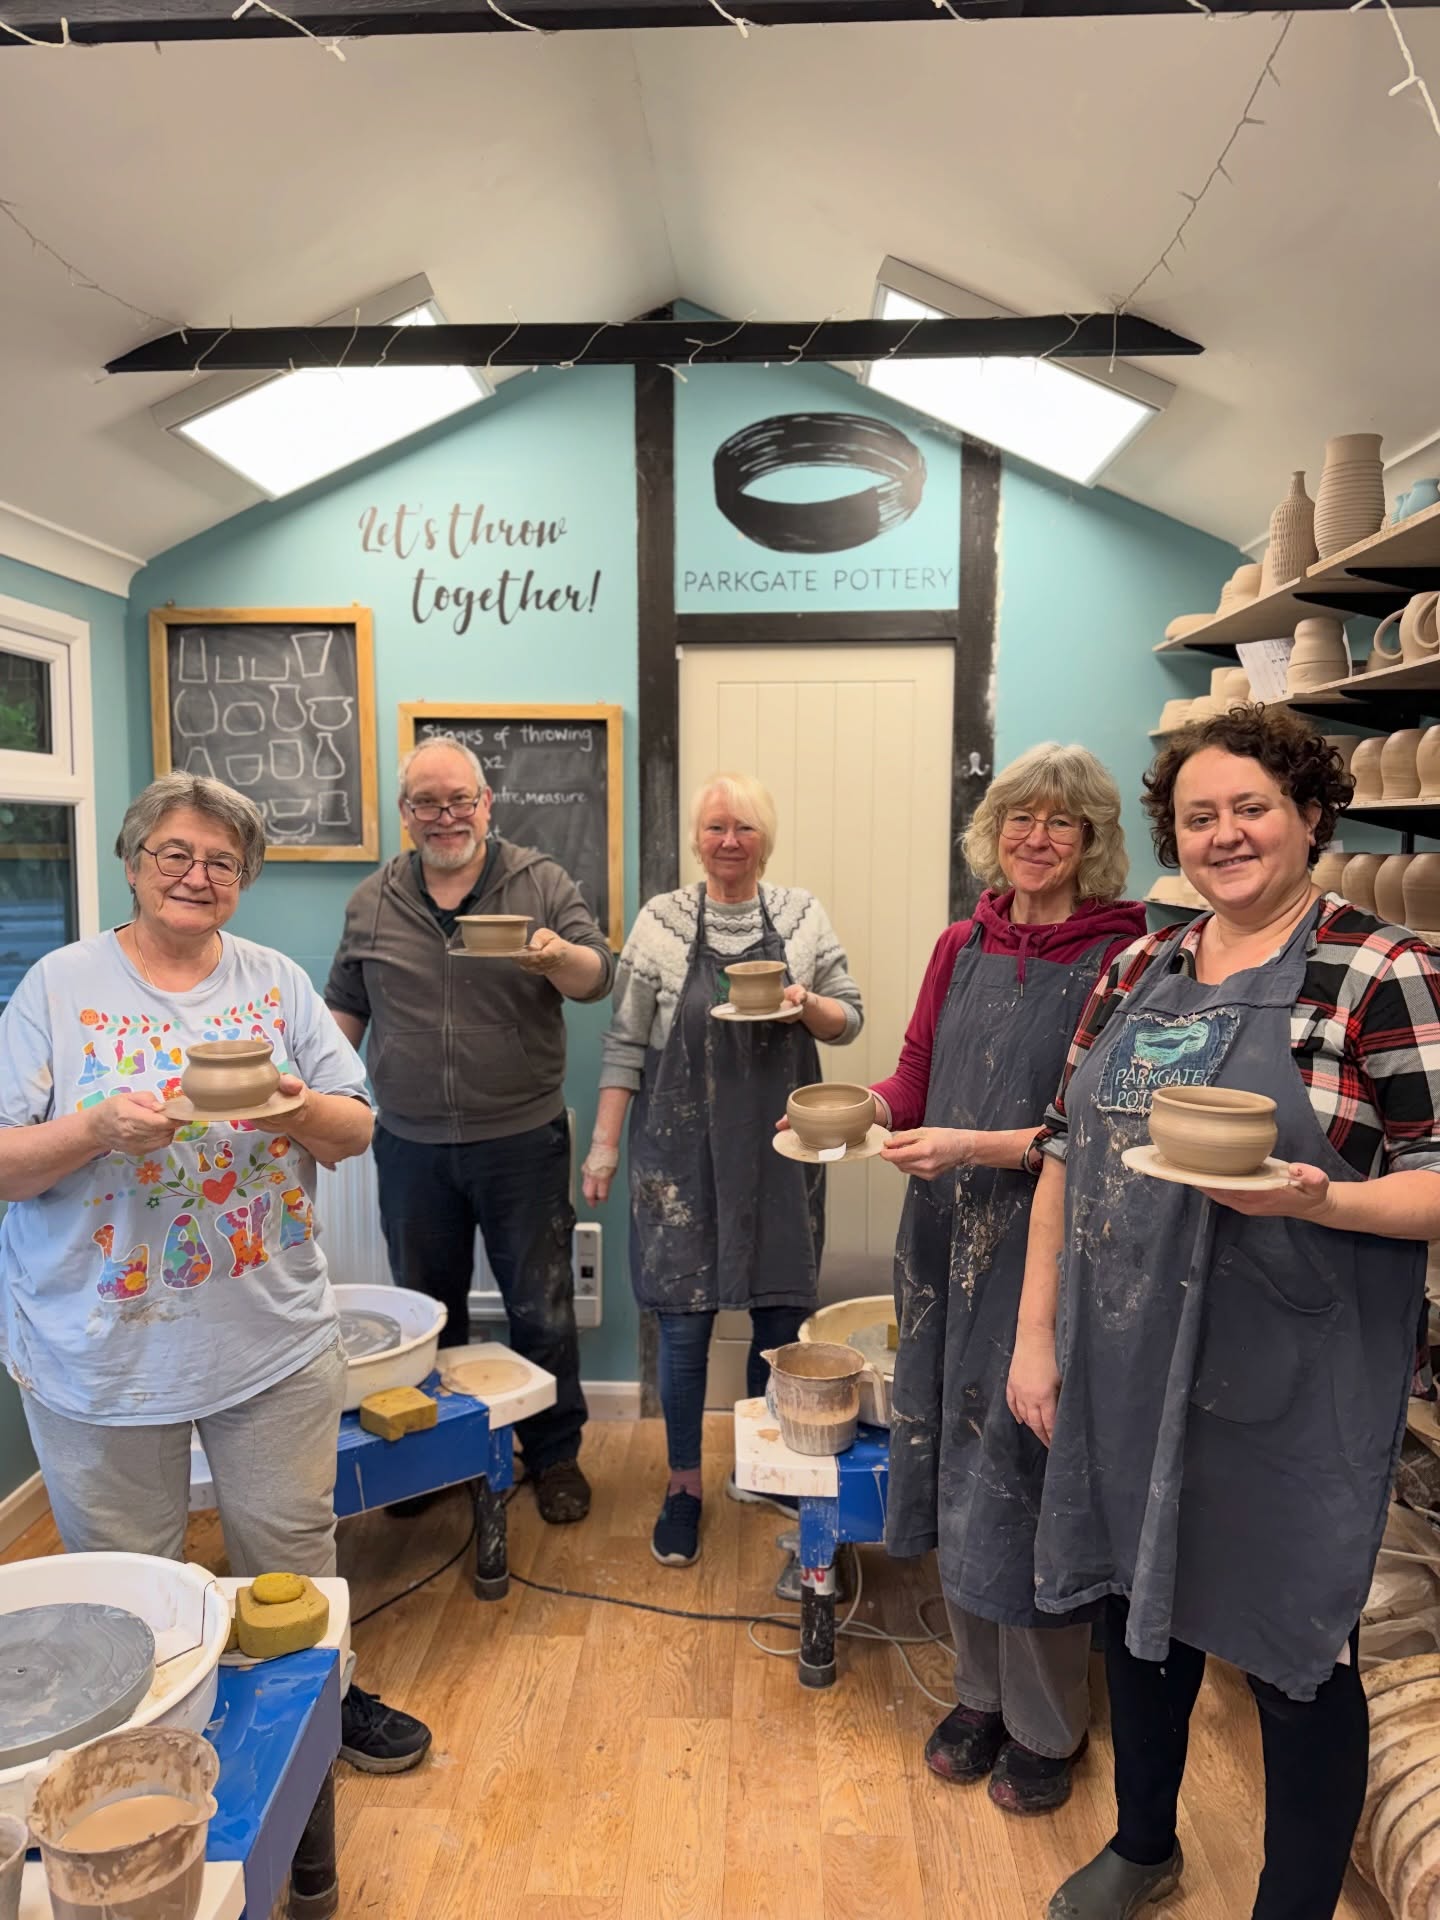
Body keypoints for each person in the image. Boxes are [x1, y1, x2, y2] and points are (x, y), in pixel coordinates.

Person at [1007, 705, 1440, 1919]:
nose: (1226, 834)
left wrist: (1322, 1199)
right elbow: (1062, 1157)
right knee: (1137, 1612)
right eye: (1200, 817)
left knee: (1297, 1652)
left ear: (1311, 815)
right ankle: (1145, 1845)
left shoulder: (1382, 969)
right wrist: (1037, 1339)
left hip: (1295, 1381)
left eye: (1252, 807)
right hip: (1127, 1358)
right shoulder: (1138, 967)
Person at [0, 773, 431, 1773]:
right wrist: (96, 1129)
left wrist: (292, 1107)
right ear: (133, 862)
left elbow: (354, 1128)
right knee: (129, 1581)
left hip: (268, 1338)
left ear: (244, 879)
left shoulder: (274, 983)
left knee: (294, 1552)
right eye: (176, 854)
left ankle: (323, 1700)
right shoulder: (58, 987)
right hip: (98, 1349)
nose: (197, 876)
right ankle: (157, 1752)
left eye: (222, 863)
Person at [873, 743, 1144, 1815]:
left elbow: (1100, 1135)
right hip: (945, 1241)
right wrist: (864, 1112)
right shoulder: (963, 941)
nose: (1036, 838)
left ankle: (1045, 1724)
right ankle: (977, 1695)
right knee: (954, 1457)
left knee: (1028, 1475)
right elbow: (914, 1071)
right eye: (1020, 818)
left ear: (1092, 840)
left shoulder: (1126, 956)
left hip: (1050, 1248)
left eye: (1060, 822)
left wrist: (968, 1146)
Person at [325, 735, 614, 1525]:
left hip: (521, 1140)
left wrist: (557, 955)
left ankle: (553, 1455)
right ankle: (435, 1456)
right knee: (427, 1310)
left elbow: (597, 977)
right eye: (427, 802)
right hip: (410, 1143)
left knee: (541, 1307)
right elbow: (343, 1012)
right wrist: (311, 1093)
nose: (445, 816)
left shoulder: (540, 881)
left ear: (486, 804)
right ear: (406, 812)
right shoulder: (371, 901)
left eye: (460, 800)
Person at [582, 772, 863, 1568]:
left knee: (777, 1318)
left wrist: (807, 1003)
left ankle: (758, 1463)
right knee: (684, 1323)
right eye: (715, 827)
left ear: (765, 840)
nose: (729, 840)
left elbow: (849, 1018)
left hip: (780, 1148)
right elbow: (625, 1043)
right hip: (679, 1155)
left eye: (743, 827)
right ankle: (683, 1487)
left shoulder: (800, 916)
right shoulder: (661, 922)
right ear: (697, 840)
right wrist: (604, 1147)